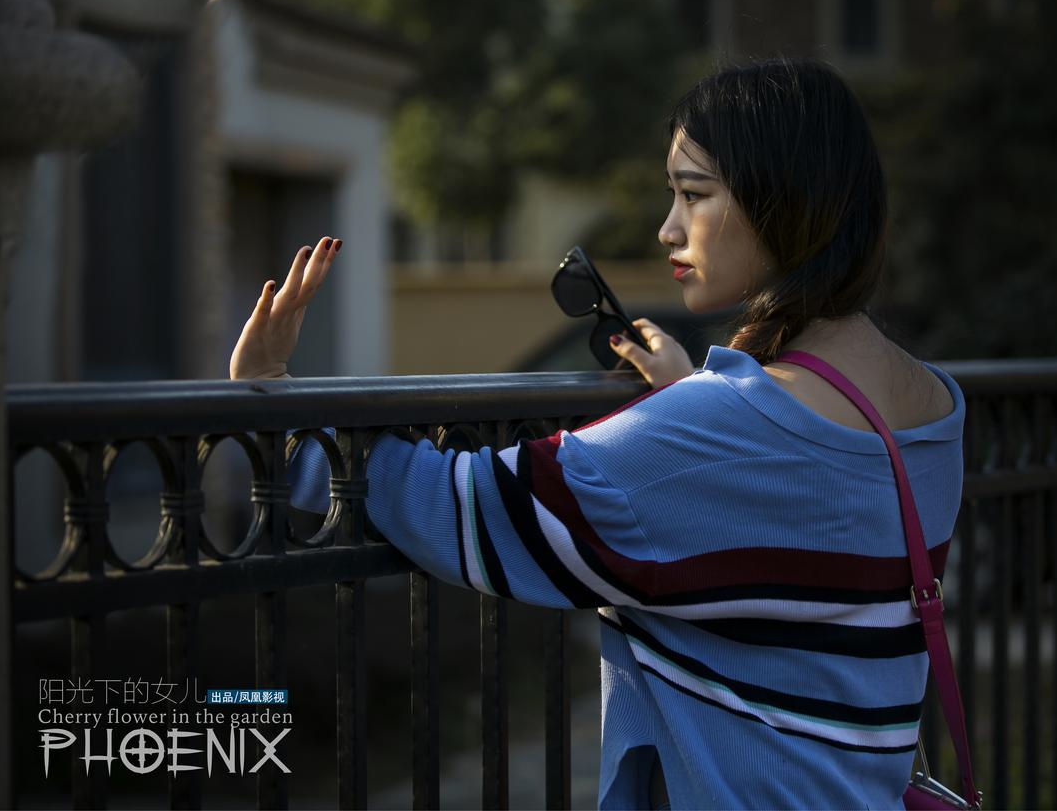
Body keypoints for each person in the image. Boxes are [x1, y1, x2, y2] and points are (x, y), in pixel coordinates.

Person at [230, 58, 964, 810]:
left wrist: (275, 401)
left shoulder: (716, 428)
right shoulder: (934, 403)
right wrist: (688, 396)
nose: (668, 228)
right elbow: (793, 551)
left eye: (693, 194)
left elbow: (463, 506)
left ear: (784, 201)